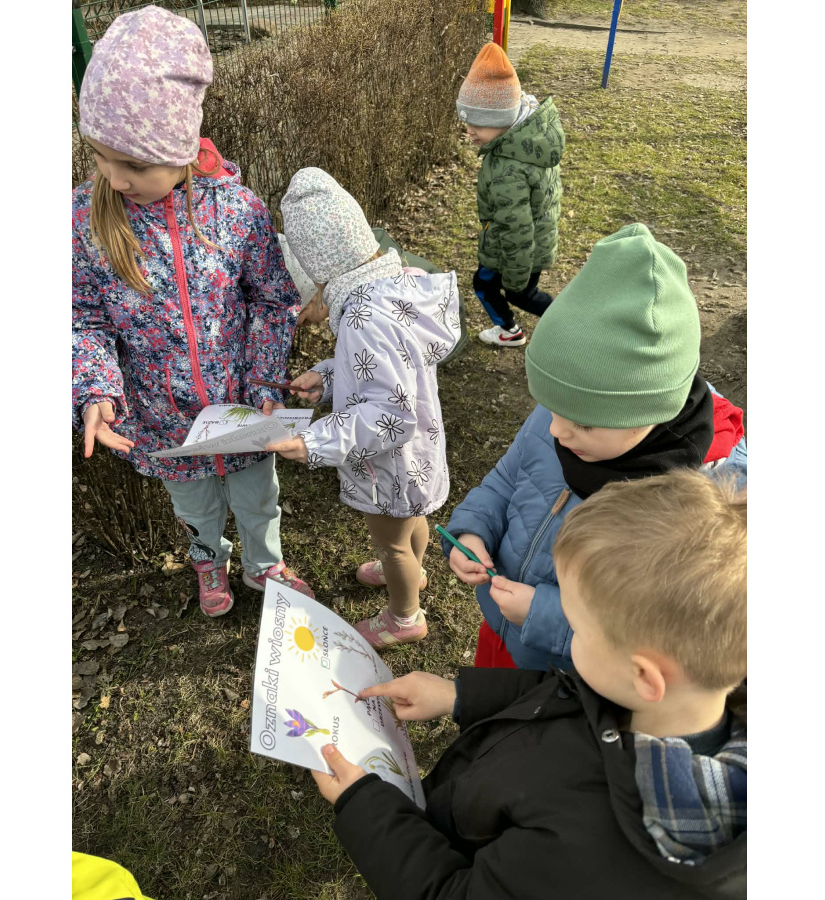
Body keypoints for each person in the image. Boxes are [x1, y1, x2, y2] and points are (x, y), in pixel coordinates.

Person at [309, 470, 747, 899]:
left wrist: (365, 805)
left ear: (645, 676)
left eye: (577, 628)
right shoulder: (649, 699)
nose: (570, 635)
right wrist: (459, 696)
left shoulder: (590, 848)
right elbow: (563, 695)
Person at [72, 6, 313, 618]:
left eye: (134, 164)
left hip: (243, 412)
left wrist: (264, 382)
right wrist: (95, 390)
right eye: (100, 156)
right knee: (195, 509)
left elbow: (272, 301)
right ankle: (209, 560)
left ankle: (264, 563)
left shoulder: (236, 211)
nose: (113, 178)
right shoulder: (85, 222)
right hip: (165, 424)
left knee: (259, 500)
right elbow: (83, 318)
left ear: (180, 147)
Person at [443, 224, 747, 671]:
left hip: (577, 680)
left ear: (649, 410)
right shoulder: (569, 405)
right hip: (505, 634)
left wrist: (544, 616)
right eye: (550, 407)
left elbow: (663, 637)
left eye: (582, 423)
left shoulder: (713, 502)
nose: (556, 430)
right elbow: (509, 477)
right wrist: (474, 530)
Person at [266, 168, 461, 648]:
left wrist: (314, 442)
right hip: (420, 454)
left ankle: (404, 617)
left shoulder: (360, 317)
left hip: (388, 463)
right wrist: (329, 377)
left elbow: (387, 415)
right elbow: (387, 368)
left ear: (320, 270)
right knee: (412, 520)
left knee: (391, 543)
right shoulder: (394, 289)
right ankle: (413, 572)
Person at [456, 42, 565, 348]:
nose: (469, 132)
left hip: (515, 253)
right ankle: (560, 320)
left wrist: (514, 277)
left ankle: (548, 325)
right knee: (516, 292)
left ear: (501, 120)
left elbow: (517, 228)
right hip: (530, 245)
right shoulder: (528, 140)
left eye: (477, 124)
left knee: (509, 291)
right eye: (467, 123)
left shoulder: (509, 170)